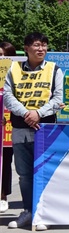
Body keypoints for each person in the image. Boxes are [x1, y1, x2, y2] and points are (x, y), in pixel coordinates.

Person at [3, 33, 63, 231]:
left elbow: (58, 99)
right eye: (37, 45)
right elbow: (8, 97)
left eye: (44, 45)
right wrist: (26, 114)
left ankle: (43, 212)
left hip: (45, 129)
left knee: (45, 172)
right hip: (20, 129)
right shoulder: (14, 69)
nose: (41, 49)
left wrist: (38, 113)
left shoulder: (55, 70)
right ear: (26, 48)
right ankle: (28, 211)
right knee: (24, 174)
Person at [0, 41, 17, 213]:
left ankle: (3, 195)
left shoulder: (17, 74)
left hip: (12, 126)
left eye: (5, 56)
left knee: (6, 161)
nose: (2, 60)